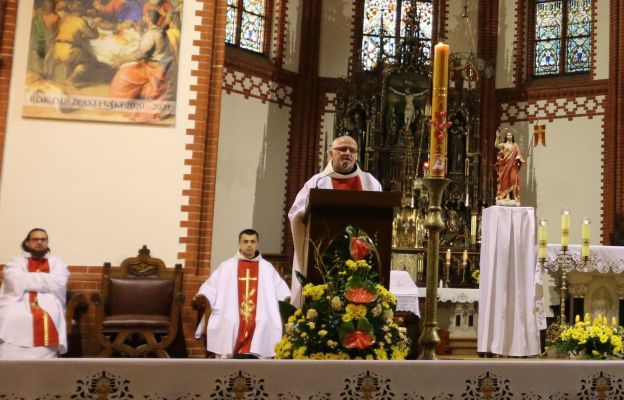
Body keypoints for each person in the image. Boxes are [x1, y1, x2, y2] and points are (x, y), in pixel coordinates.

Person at [288, 135, 382, 306]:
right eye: (342, 149)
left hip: (361, 258)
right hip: (326, 256)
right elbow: (295, 213)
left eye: (352, 150)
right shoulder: (317, 182)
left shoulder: (370, 182)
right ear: (330, 153)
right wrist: (306, 212)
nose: (347, 153)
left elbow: (380, 214)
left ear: (357, 155)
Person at [194, 229, 290, 358]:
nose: (249, 245)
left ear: (257, 244)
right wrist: (203, 295)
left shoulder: (267, 267)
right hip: (231, 310)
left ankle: (259, 357)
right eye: (245, 241)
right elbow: (210, 286)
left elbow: (282, 289)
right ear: (239, 243)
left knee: (264, 321)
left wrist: (287, 297)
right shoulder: (226, 266)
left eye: (252, 242)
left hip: (261, 311)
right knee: (230, 321)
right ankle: (227, 357)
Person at [0, 228, 69, 359]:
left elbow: (57, 282)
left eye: (43, 239)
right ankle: (8, 357)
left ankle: (44, 358)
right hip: (18, 299)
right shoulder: (15, 261)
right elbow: (14, 280)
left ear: (47, 242)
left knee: (49, 314)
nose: (39, 242)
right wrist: (44, 279)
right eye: (35, 239)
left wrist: (26, 278)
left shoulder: (57, 262)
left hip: (49, 301)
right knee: (10, 315)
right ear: (27, 243)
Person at [494, 128, 525, 205]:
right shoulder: (504, 145)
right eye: (508, 135)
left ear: (512, 136)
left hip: (513, 165)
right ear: (506, 136)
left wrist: (519, 158)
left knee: (513, 179)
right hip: (505, 166)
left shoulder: (515, 145)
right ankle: (505, 196)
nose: (509, 136)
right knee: (504, 181)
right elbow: (496, 145)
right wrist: (497, 137)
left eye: (510, 135)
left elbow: (519, 154)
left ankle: (514, 197)